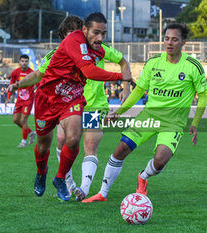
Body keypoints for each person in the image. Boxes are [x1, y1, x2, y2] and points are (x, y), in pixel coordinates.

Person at [10, 12, 131, 202]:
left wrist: (125, 85)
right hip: (48, 100)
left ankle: (78, 186)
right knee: (47, 145)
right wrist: (19, 84)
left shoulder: (97, 47)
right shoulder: (58, 52)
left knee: (79, 141)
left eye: (102, 33)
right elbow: (37, 76)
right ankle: (44, 174)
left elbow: (123, 61)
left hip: (82, 101)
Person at [82, 23, 207, 203]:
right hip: (149, 117)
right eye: (166, 39)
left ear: (183, 42)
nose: (169, 43)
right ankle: (102, 193)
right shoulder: (153, 63)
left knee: (160, 161)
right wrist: (119, 112)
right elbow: (138, 91)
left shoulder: (192, 66)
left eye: (174, 39)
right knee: (121, 149)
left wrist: (195, 123)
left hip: (173, 123)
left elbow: (203, 96)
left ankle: (143, 177)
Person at [5, 54, 37, 147]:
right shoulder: (15, 72)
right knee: (15, 120)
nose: (24, 63)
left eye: (26, 61)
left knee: (23, 120)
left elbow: (38, 85)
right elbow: (11, 84)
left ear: (28, 62)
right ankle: (31, 133)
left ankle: (23, 141)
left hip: (28, 101)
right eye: (22, 61)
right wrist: (8, 98)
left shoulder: (32, 73)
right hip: (19, 100)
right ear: (19, 62)